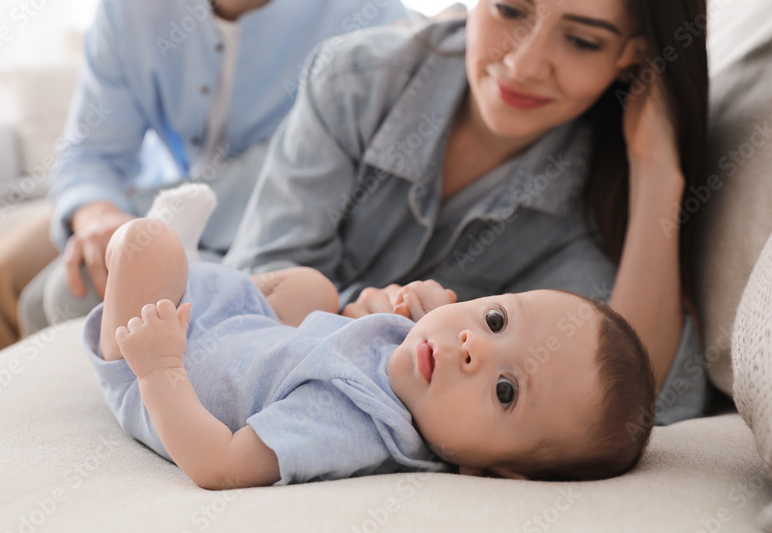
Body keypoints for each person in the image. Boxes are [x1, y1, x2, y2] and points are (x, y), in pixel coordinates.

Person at [223, 0, 710, 425]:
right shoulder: (358, 78)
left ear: (633, 54)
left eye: (579, 40)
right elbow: (251, 292)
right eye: (508, 9)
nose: (522, 65)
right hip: (220, 211)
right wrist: (353, 315)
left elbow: (632, 407)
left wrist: (657, 173)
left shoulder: (591, 213)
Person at [0, 0, 408, 363]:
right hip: (152, 203)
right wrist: (97, 214)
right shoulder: (130, 5)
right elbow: (91, 150)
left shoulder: (368, 14)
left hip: (272, 230)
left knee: (57, 298)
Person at [82, 191, 656, 488]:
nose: (472, 347)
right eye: (497, 321)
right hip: (253, 336)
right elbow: (348, 332)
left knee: (144, 243)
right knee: (313, 288)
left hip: (157, 356)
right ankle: (204, 275)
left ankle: (180, 260)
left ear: (499, 474)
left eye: (505, 391)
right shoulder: (417, 382)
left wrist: (159, 372)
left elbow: (221, 467)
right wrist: (400, 308)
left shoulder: (351, 426)